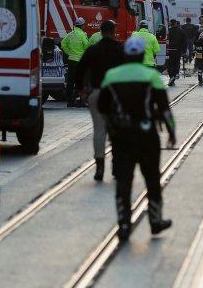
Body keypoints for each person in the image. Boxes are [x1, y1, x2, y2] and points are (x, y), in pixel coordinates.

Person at [98, 37, 176, 242]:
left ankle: (124, 224)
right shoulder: (152, 76)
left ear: (125, 55)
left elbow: (102, 107)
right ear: (142, 55)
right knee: (152, 179)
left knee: (123, 180)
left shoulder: (111, 76)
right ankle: (155, 221)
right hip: (147, 135)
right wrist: (171, 133)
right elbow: (165, 109)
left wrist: (111, 128)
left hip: (121, 136)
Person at [75, 20, 125, 181]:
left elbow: (79, 70)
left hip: (97, 94)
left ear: (101, 32)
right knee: (116, 131)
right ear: (114, 31)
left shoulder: (92, 50)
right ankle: (117, 167)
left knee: (99, 131)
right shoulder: (121, 50)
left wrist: (81, 89)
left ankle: (99, 167)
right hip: (116, 95)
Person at [60, 17, 90, 107]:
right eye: (84, 25)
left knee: (70, 81)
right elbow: (87, 46)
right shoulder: (82, 35)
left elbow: (63, 44)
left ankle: (70, 102)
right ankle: (81, 101)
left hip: (71, 60)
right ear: (82, 25)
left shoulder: (70, 34)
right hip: (80, 61)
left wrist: (69, 53)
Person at [167, 19, 187, 87]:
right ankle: (175, 75)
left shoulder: (168, 31)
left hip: (170, 50)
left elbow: (166, 40)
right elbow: (184, 42)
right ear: (176, 23)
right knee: (176, 63)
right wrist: (184, 51)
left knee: (170, 64)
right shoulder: (181, 31)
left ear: (171, 24)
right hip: (178, 50)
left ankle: (171, 76)